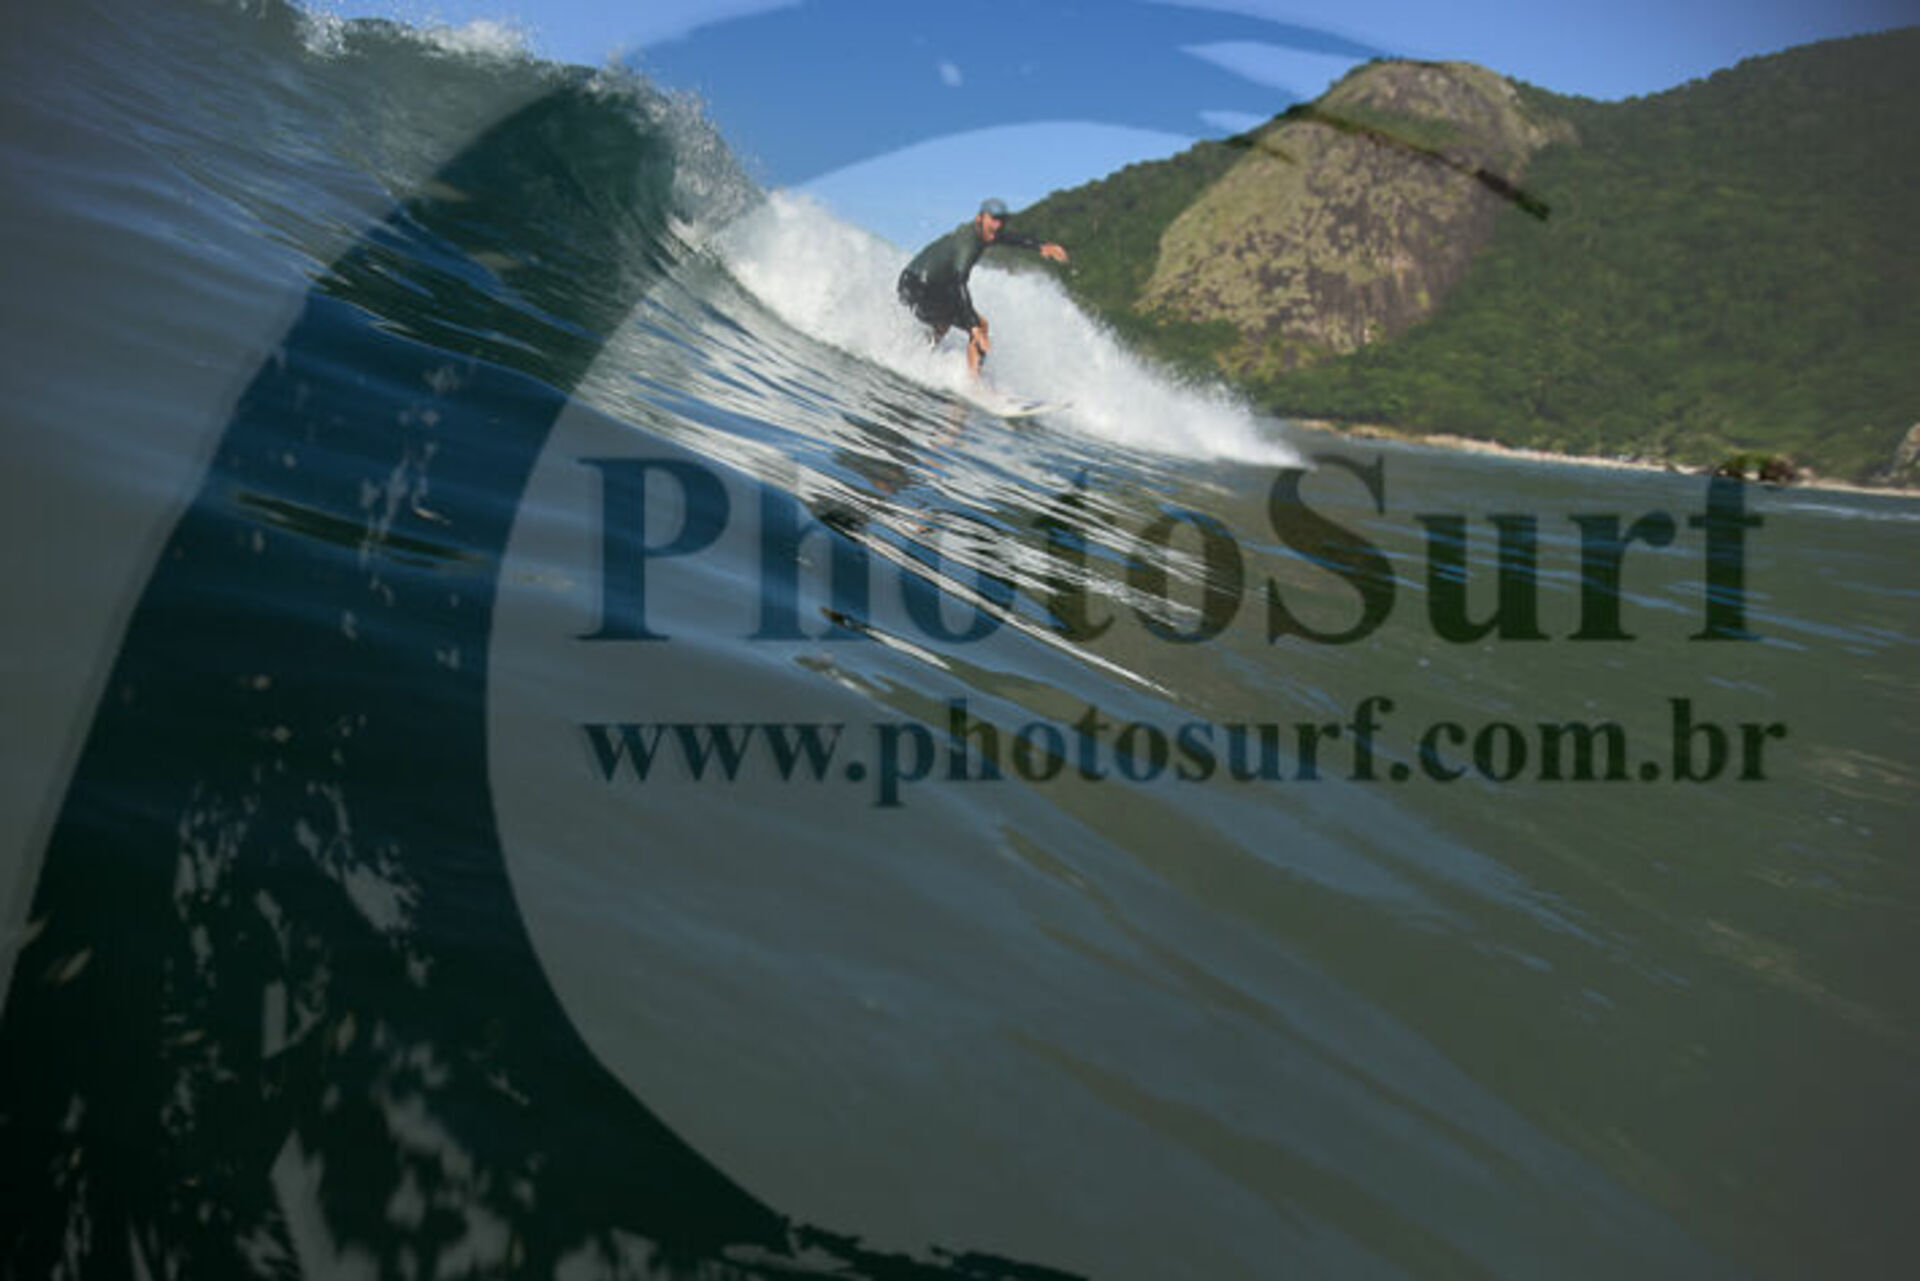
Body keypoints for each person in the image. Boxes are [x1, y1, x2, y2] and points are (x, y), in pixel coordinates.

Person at [897, 198, 1069, 379]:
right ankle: (973, 382)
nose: (998, 225)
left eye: (1001, 221)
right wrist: (973, 325)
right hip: (918, 286)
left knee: (946, 322)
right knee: (979, 327)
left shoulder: (984, 233)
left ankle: (916, 355)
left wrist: (1041, 246)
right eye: (993, 219)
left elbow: (1011, 239)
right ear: (979, 218)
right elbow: (958, 282)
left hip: (922, 284)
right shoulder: (968, 242)